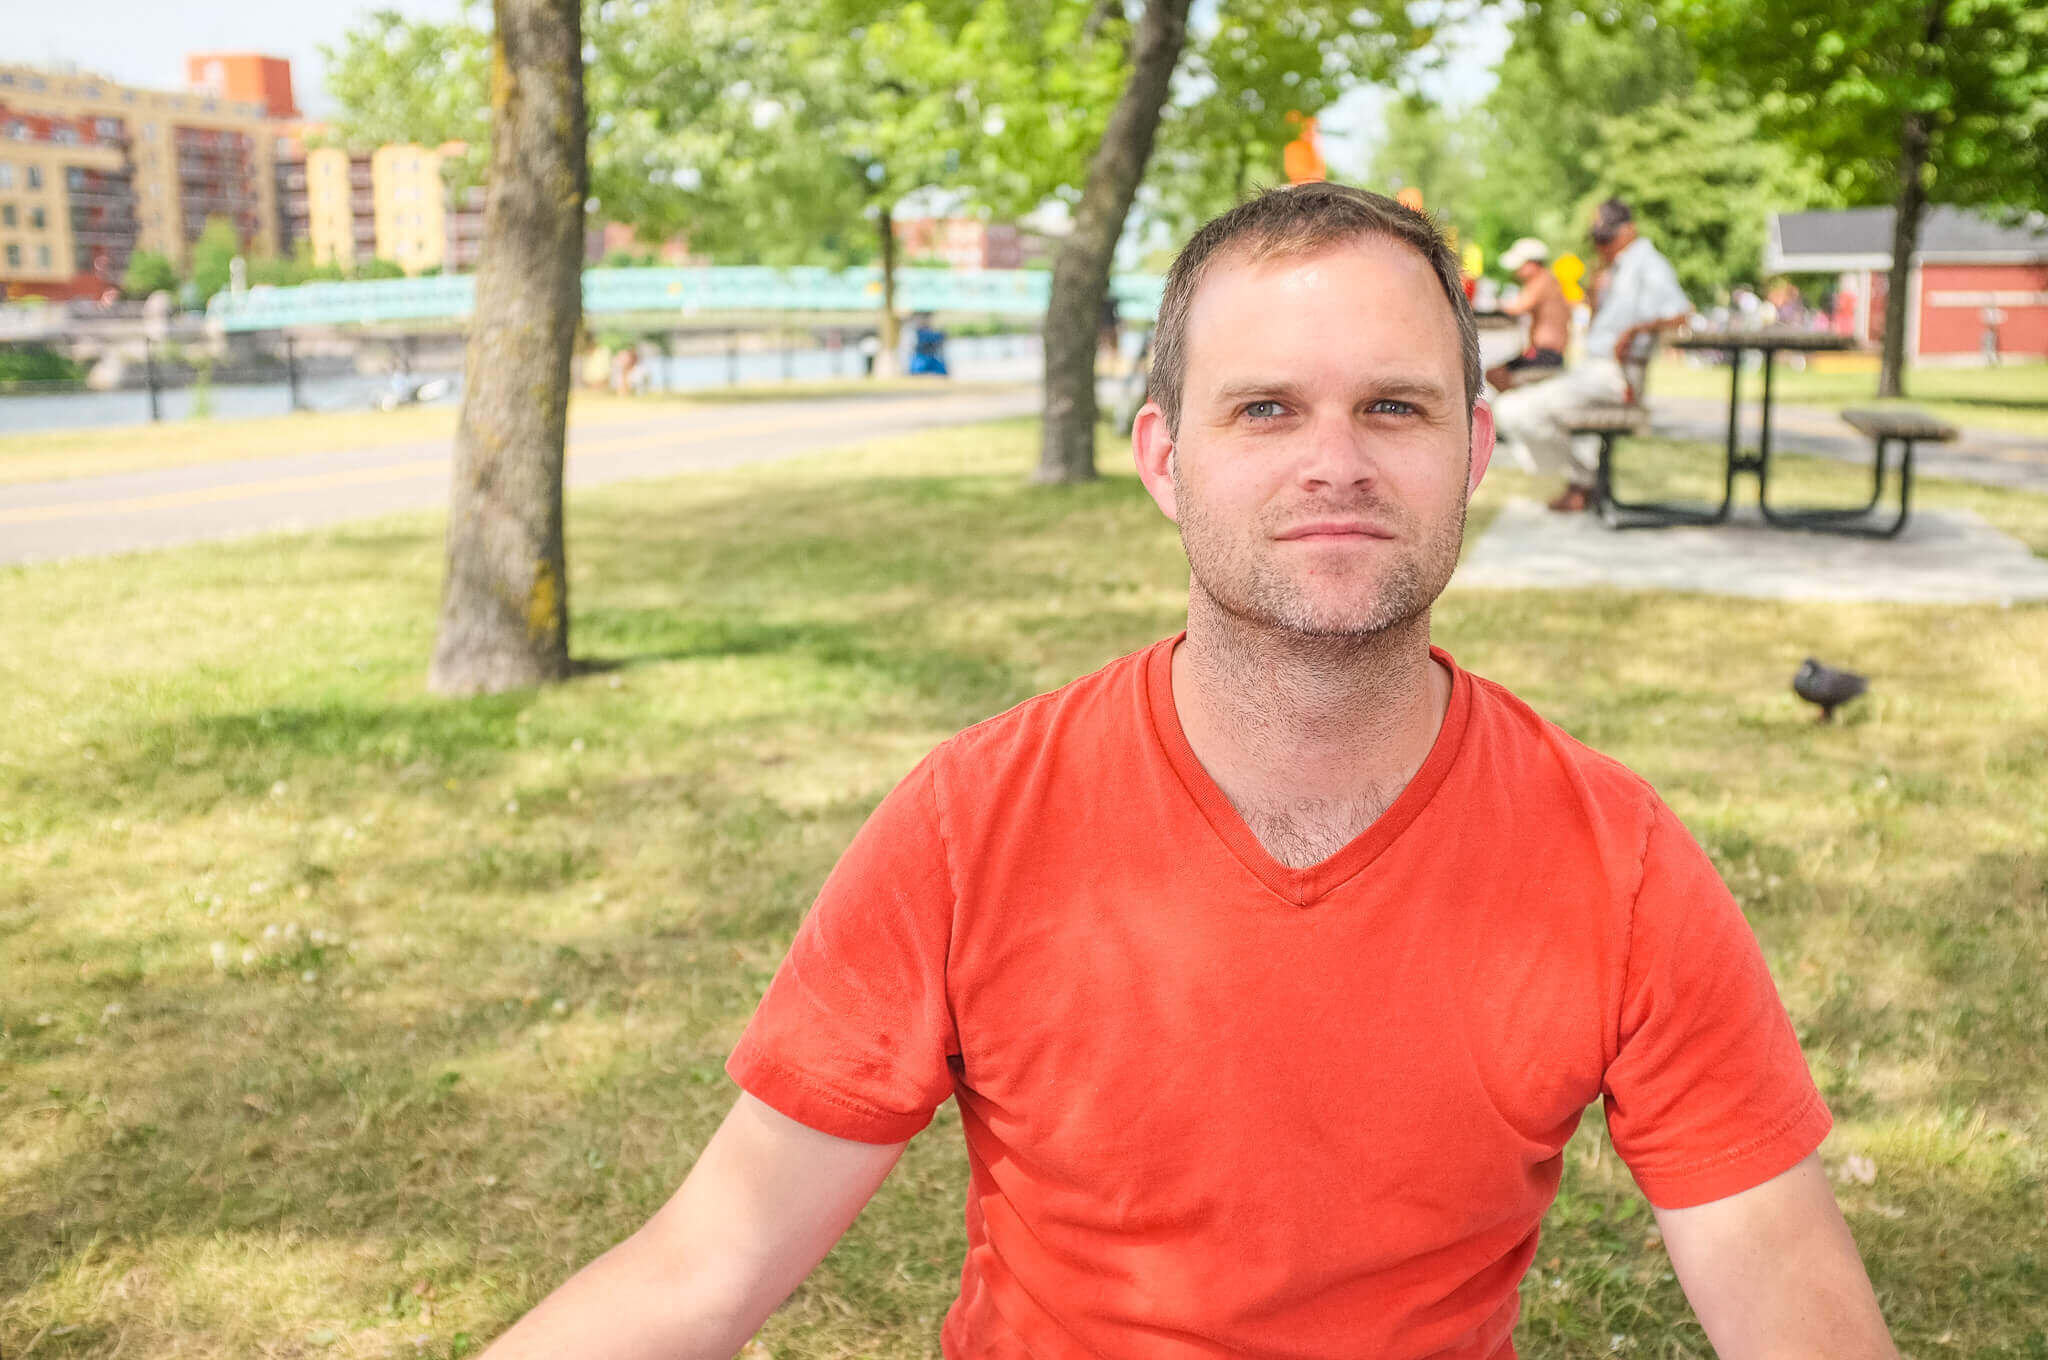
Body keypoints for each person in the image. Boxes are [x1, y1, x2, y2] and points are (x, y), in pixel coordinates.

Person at [475, 184, 1898, 1360]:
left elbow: (1785, 1285)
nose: (1333, 462)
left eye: (1395, 409)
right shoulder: (975, 821)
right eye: (1265, 409)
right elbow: (705, 1269)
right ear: (1163, 457)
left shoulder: (1615, 857)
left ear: (1475, 448)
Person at [1491, 198, 1693, 513]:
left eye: (1606, 238)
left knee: (1512, 410)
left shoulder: (1647, 263)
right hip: (1593, 369)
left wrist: (1637, 330)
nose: (1601, 245)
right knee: (1512, 409)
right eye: (1597, 238)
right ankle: (1582, 480)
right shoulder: (1618, 267)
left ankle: (1582, 481)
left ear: (1629, 231)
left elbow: (1681, 314)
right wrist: (1599, 290)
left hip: (1616, 375)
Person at [1483, 237, 1569, 393]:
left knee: (1497, 374)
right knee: (1494, 373)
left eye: (1520, 266)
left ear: (1532, 264)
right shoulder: (1547, 281)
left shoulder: (1541, 281)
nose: (1516, 271)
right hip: (1543, 353)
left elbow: (1516, 308)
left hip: (1547, 356)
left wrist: (1490, 302)